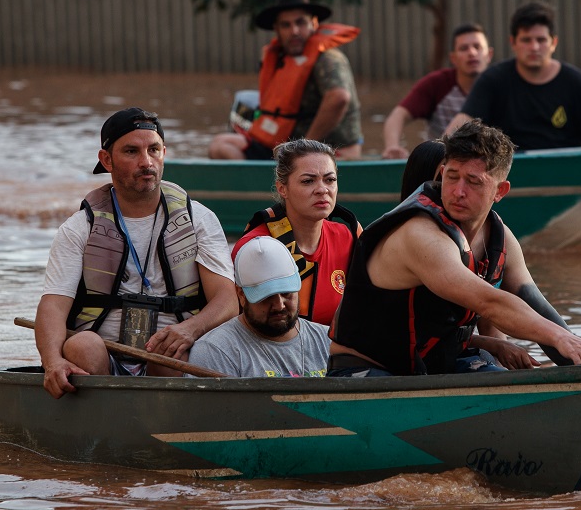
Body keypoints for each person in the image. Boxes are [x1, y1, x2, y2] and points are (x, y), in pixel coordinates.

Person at [328, 120, 581, 377]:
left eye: (473, 182)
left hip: (436, 365)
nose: (458, 191)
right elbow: (489, 302)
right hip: (366, 371)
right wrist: (560, 338)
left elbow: (538, 307)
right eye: (452, 176)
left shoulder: (501, 238)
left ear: (500, 191)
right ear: (441, 172)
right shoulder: (419, 234)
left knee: (503, 384)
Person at [35, 107, 239, 398]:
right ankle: (105, 415)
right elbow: (53, 306)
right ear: (106, 160)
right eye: (131, 151)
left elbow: (227, 300)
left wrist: (189, 330)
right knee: (81, 345)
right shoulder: (78, 228)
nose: (146, 162)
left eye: (153, 150)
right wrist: (52, 362)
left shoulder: (200, 220)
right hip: (102, 357)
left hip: (173, 355)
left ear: (164, 152)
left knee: (169, 353)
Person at [445, 2, 581, 151]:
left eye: (541, 40)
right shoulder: (494, 80)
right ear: (513, 42)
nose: (534, 47)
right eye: (526, 40)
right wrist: (440, 147)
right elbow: (464, 121)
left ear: (553, 42)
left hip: (565, 171)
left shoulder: (576, 82)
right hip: (508, 174)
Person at [209, 0, 364, 160]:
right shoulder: (280, 58)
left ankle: (273, 181)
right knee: (220, 145)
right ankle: (263, 184)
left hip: (327, 150)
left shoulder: (327, 58)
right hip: (288, 149)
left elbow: (339, 98)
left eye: (300, 22)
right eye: (286, 25)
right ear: (277, 29)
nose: (294, 31)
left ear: (313, 23)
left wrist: (304, 147)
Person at [232, 139, 360, 327]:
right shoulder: (255, 247)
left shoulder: (348, 234)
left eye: (330, 179)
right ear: (282, 189)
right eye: (308, 181)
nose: (322, 190)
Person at [187, 236, 332, 377]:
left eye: (286, 293)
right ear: (241, 295)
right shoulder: (215, 352)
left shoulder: (329, 341)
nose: (279, 305)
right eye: (267, 297)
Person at [381, 23, 493, 159]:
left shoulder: (501, 84)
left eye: (477, 47)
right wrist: (392, 146)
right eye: (464, 48)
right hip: (443, 161)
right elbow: (398, 116)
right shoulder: (436, 83)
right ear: (453, 58)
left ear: (489, 54)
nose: (472, 53)